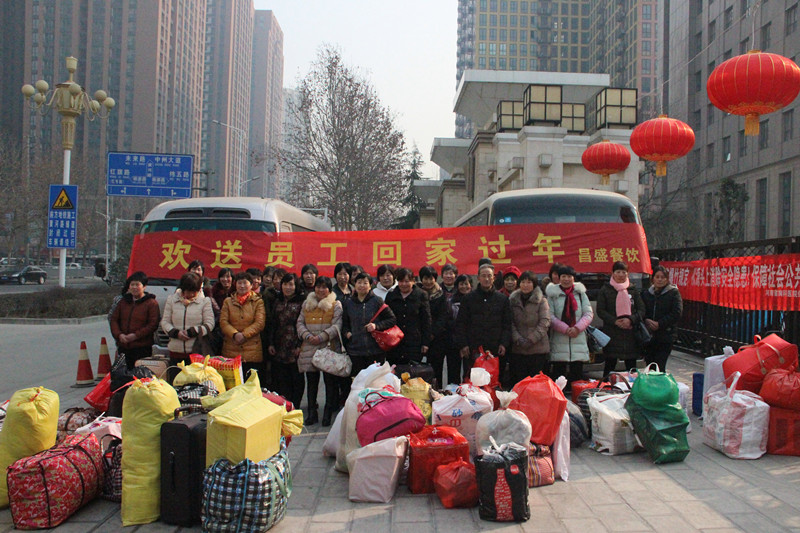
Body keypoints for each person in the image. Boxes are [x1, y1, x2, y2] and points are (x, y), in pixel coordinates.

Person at [296, 276, 344, 426]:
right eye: (318, 287)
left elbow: (337, 325)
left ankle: (327, 413)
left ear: (329, 289)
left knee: (329, 382)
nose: (321, 290)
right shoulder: (307, 304)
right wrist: (307, 336)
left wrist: (321, 337)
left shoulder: (336, 304)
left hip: (328, 347)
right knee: (311, 383)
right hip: (309, 346)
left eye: (324, 287)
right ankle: (312, 413)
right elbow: (300, 323)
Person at [454, 263, 512, 375]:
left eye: (489, 276)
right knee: (473, 379)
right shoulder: (468, 299)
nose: (486, 279)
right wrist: (463, 344)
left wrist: (504, 343)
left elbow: (507, 324)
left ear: (493, 278)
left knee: (494, 379)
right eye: (483, 276)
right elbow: (461, 323)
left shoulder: (502, 299)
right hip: (473, 347)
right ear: (478, 278)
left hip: (495, 347)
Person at [342, 272, 397, 376]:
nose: (362, 285)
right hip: (355, 350)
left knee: (375, 381)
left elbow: (392, 319)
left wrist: (377, 326)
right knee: (358, 380)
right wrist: (348, 334)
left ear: (370, 286)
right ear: (354, 285)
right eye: (359, 282)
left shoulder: (377, 301)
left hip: (375, 350)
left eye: (365, 283)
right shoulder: (348, 303)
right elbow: (344, 324)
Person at [597, 261, 645, 378]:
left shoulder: (633, 289)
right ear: (612, 273)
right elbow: (601, 310)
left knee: (631, 368)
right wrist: (614, 321)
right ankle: (606, 385)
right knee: (610, 366)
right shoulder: (605, 289)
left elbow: (641, 310)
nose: (621, 275)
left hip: (630, 335)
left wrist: (631, 320)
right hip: (612, 333)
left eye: (624, 272)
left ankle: (632, 387)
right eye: (618, 272)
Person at [546, 265, 593, 384]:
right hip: (559, 339)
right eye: (563, 276)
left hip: (578, 338)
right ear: (559, 278)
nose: (566, 279)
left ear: (573, 278)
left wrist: (577, 328)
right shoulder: (552, 294)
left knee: (577, 377)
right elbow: (550, 316)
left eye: (569, 276)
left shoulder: (581, 293)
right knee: (559, 376)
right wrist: (565, 329)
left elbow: (588, 314)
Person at [220, 271, 266, 383]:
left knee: (251, 385)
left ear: (251, 285)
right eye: (239, 283)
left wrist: (244, 335)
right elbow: (223, 322)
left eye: (245, 283)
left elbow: (260, 323)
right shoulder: (228, 302)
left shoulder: (258, 302)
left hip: (252, 351)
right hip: (231, 349)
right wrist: (235, 334)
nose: (242, 286)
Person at [268, 273, 306, 408]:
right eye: (285, 284)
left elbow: (304, 324)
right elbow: (272, 323)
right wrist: (271, 343)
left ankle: (296, 405)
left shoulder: (302, 302)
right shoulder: (277, 301)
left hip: (295, 344)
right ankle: (285, 405)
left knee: (296, 377)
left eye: (291, 284)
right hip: (279, 343)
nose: (288, 287)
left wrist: (300, 345)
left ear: (296, 286)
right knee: (282, 377)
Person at [161, 272, 215, 365]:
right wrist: (176, 333)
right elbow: (165, 322)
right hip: (175, 351)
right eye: (190, 291)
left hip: (196, 351)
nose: (193, 294)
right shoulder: (172, 300)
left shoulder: (205, 301)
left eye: (195, 291)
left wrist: (191, 332)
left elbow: (209, 324)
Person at [110, 271, 160, 369]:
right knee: (123, 374)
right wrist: (119, 335)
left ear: (144, 287)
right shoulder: (123, 302)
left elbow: (152, 324)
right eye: (132, 285)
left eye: (137, 285)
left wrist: (135, 336)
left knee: (140, 375)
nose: (134, 287)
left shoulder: (151, 303)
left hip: (142, 347)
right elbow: (114, 320)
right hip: (123, 346)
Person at [508, 271, 551, 387]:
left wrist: (531, 339)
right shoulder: (512, 301)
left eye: (529, 282)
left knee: (536, 386)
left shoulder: (541, 301)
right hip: (518, 349)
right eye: (523, 282)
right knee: (520, 385)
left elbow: (545, 322)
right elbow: (510, 322)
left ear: (534, 284)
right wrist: (518, 339)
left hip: (538, 349)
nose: (525, 285)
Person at [385, 267, 431, 366]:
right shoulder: (391, 295)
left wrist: (425, 343)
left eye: (407, 281)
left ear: (413, 281)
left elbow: (426, 320)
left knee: (413, 371)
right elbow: (386, 318)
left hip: (414, 342)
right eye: (401, 281)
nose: (404, 284)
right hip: (395, 341)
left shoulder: (421, 295)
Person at [642, 265, 683, 372]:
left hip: (666, 335)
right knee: (649, 365)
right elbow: (641, 310)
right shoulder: (646, 293)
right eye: (657, 277)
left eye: (663, 277)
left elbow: (676, 313)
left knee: (660, 365)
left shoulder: (673, 293)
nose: (660, 280)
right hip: (649, 335)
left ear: (667, 279)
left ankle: (659, 383)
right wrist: (646, 320)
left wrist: (660, 324)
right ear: (653, 278)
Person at [419, 265, 447, 387]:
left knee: (436, 369)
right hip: (419, 337)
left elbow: (443, 317)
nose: (428, 282)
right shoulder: (417, 294)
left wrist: (432, 333)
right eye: (425, 278)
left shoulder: (441, 295)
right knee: (418, 370)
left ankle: (436, 392)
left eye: (431, 278)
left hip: (437, 338)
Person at [445, 274, 473, 385]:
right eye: (461, 284)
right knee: (453, 374)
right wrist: (460, 343)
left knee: (469, 374)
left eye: (466, 284)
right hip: (453, 342)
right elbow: (449, 321)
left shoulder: (475, 300)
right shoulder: (450, 301)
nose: (464, 286)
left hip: (471, 342)